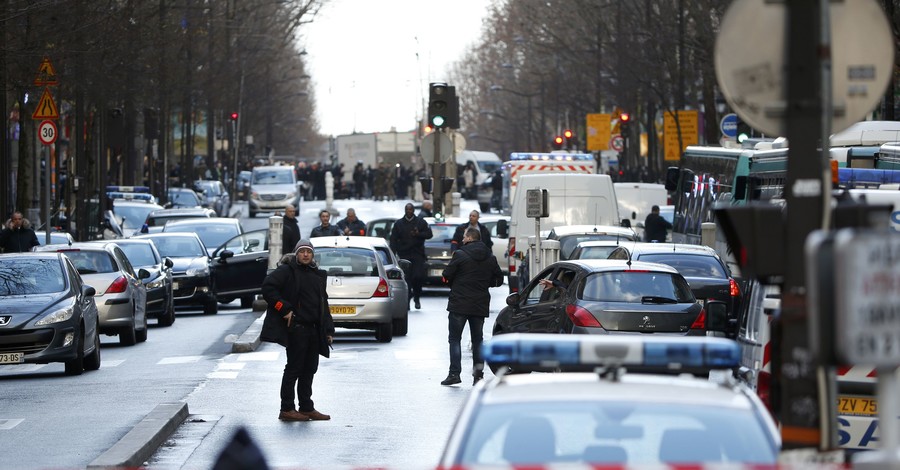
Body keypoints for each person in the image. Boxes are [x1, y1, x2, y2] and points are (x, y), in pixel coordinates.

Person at [260, 239, 335, 422]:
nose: (305, 255)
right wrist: (284, 309)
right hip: (296, 328)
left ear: (312, 255)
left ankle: (306, 407)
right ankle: (287, 409)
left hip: (314, 329)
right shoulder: (286, 271)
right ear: (296, 254)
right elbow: (268, 289)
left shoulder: (317, 275)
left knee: (310, 369)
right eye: (302, 251)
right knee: (294, 368)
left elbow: (323, 304)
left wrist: (328, 329)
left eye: (308, 252)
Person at [441, 227, 503, 386]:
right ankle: (478, 376)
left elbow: (447, 274)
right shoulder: (490, 257)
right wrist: (485, 284)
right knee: (478, 341)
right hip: (479, 303)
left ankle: (454, 374)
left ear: (469, 238)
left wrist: (455, 283)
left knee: (455, 339)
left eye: (464, 237)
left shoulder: (460, 255)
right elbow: (499, 279)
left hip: (459, 303)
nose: (462, 239)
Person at [389, 203, 433, 310]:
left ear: (413, 211)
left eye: (410, 210)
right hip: (404, 254)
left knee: (418, 277)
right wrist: (392, 255)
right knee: (407, 279)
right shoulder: (399, 224)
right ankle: (407, 301)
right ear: (405, 210)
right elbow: (393, 240)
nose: (409, 212)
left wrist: (419, 234)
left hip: (417, 254)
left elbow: (429, 234)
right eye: (407, 210)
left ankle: (417, 296)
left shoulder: (420, 222)